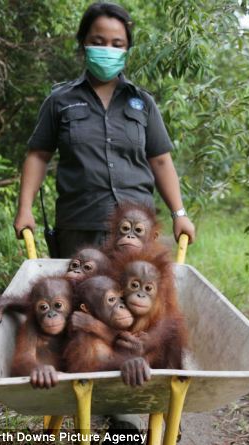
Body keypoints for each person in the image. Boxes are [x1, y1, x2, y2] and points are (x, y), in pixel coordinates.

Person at [13, 1, 195, 258]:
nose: (107, 49)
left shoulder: (143, 103)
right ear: (84, 44)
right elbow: (38, 156)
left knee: (134, 296)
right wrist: (24, 209)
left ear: (126, 49)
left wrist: (180, 215)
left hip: (137, 230)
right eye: (98, 41)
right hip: (79, 227)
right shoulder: (60, 100)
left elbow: (161, 161)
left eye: (117, 44)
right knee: (80, 295)